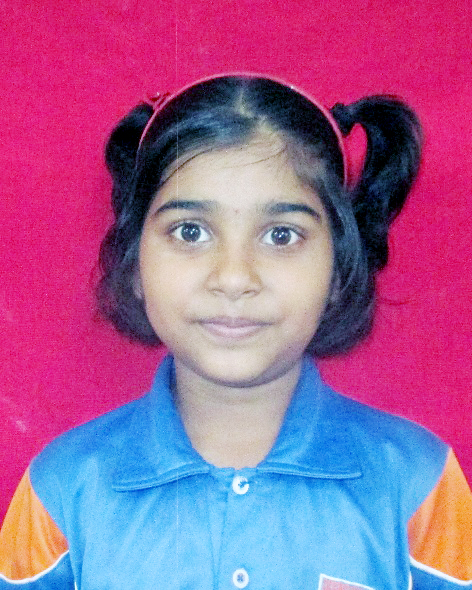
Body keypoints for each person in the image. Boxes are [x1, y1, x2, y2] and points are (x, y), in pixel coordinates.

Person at [0, 74, 470, 590]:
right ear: (135, 263)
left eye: (281, 235)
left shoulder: (418, 485)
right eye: (190, 231)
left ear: (338, 269)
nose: (233, 277)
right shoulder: (62, 491)